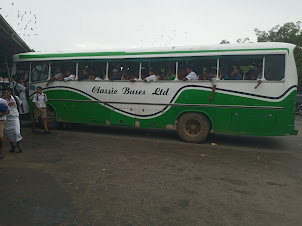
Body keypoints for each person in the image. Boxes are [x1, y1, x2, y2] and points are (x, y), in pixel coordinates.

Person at [2, 88, 24, 153]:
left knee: (16, 132)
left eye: (7, 93)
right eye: (4, 93)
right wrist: (8, 105)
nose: (6, 95)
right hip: (7, 118)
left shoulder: (15, 98)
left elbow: (21, 103)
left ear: (10, 92)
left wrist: (22, 110)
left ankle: (18, 144)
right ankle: (12, 145)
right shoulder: (2, 100)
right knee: (9, 133)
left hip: (15, 117)